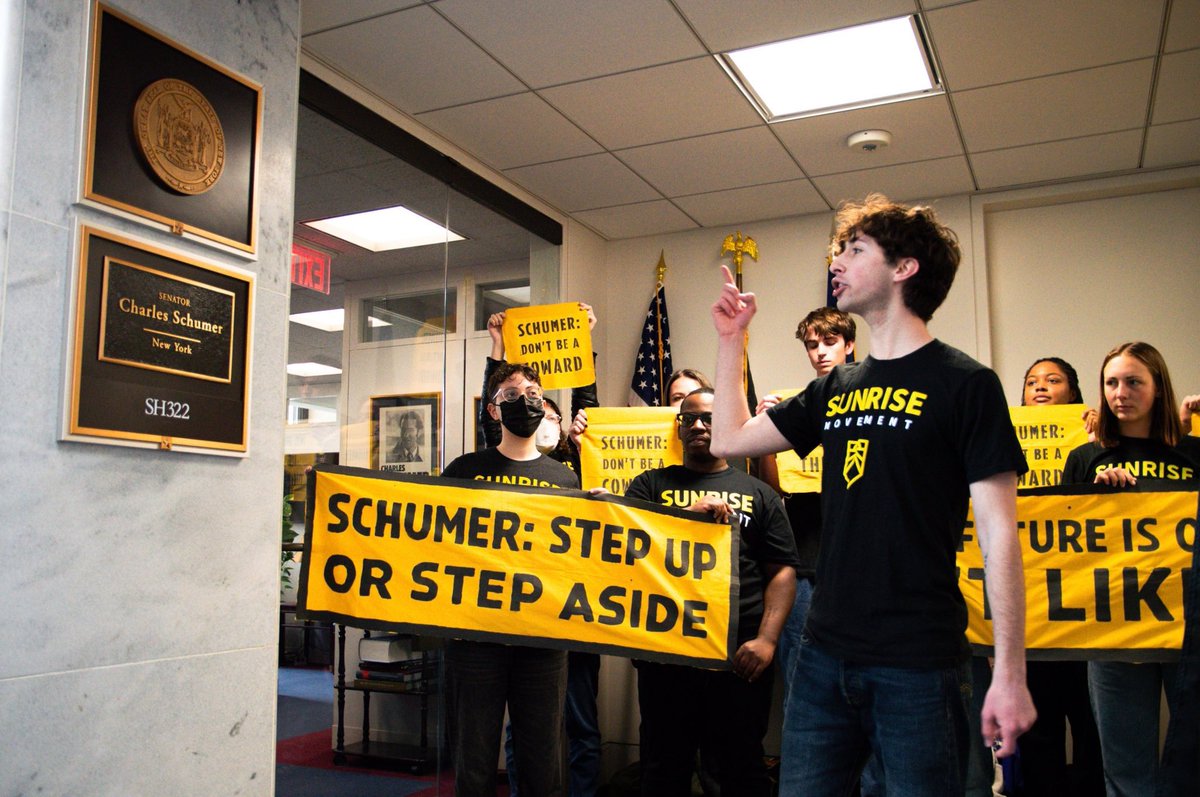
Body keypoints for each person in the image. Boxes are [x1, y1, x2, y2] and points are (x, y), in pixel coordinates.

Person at [710, 193, 1036, 795]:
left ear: (904, 267)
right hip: (823, 654)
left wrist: (1010, 672)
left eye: (855, 249)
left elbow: (999, 537)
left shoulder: (967, 384)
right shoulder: (836, 386)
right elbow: (729, 439)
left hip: (918, 662)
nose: (837, 261)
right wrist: (733, 339)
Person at [625, 387, 799, 797]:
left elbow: (782, 571)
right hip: (666, 656)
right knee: (664, 770)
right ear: (679, 427)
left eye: (710, 417)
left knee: (739, 772)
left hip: (739, 659)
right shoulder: (649, 485)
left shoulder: (760, 493)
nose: (700, 425)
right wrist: (684, 517)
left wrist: (768, 640)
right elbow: (623, 546)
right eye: (690, 418)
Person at [1061, 342, 1200, 797]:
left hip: (1189, 627)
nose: (1121, 392)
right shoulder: (1086, 457)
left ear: (1158, 388)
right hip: (1114, 629)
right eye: (1112, 383)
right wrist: (1093, 497)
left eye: (1134, 381)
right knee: (1125, 770)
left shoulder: (1195, 453)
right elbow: (1063, 549)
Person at [442, 362, 580, 797]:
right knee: (474, 761)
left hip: (542, 642)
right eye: (512, 394)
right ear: (493, 411)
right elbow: (433, 543)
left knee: (543, 764)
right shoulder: (464, 470)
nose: (526, 401)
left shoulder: (565, 478)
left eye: (535, 393)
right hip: (475, 641)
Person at [481, 307, 602, 797]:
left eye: (545, 406)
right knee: (524, 731)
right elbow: (493, 412)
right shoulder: (497, 457)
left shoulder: (573, 466)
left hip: (573, 612)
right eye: (524, 403)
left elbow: (588, 404)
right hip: (520, 617)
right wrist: (496, 348)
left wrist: (584, 343)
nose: (537, 413)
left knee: (580, 722)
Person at [1003, 357, 1105, 797]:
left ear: (1074, 393)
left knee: (1091, 720)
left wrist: (1104, 439)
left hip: (1086, 605)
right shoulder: (1002, 440)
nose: (1040, 387)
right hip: (1031, 604)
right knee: (1038, 725)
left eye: (1052, 380)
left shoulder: (1095, 446)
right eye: (1031, 382)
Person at [755, 306, 856, 692]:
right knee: (802, 669)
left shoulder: (870, 404)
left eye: (830, 343)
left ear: (849, 345)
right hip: (804, 560)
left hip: (856, 563)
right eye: (812, 346)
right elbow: (774, 488)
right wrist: (768, 432)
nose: (821, 353)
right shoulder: (798, 406)